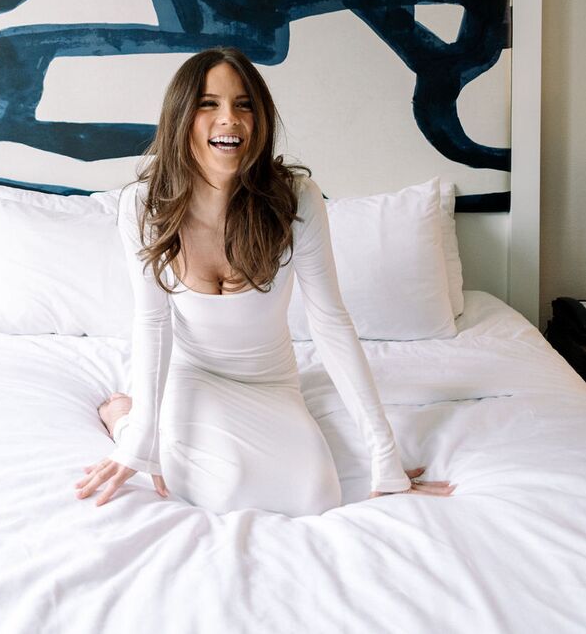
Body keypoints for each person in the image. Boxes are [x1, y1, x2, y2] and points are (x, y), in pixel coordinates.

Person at [75, 47, 456, 515]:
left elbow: (331, 324)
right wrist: (140, 441)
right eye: (208, 103)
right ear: (180, 118)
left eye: (244, 104)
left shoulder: (296, 200)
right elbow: (153, 322)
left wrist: (384, 456)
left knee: (316, 496)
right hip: (187, 376)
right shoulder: (143, 205)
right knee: (228, 489)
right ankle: (124, 419)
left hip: (270, 383)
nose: (229, 119)